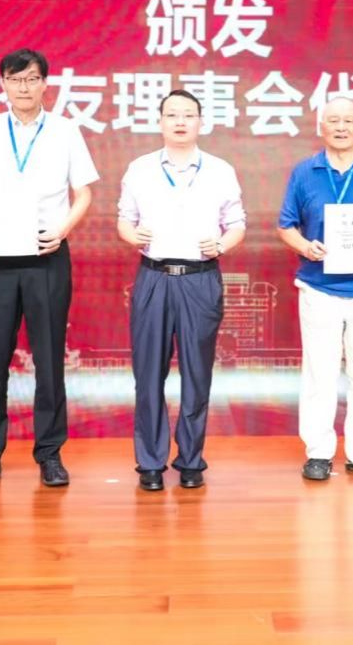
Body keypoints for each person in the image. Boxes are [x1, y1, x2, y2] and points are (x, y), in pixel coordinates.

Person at [0, 49, 99, 488]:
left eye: (32, 79)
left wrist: (62, 230)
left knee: (49, 359)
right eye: (15, 80)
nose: (24, 87)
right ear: (2, 84)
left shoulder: (66, 130)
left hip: (47, 257)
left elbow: (84, 194)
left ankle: (49, 453)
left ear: (44, 84)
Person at [116, 90, 245, 491]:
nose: (180, 121)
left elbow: (237, 224)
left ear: (200, 122)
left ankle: (190, 460)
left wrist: (222, 244)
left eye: (188, 114)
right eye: (172, 114)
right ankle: (150, 462)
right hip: (153, 277)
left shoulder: (220, 170)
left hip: (200, 278)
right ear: (160, 121)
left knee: (197, 373)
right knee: (147, 373)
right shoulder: (139, 169)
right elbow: (124, 219)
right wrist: (131, 235)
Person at [277, 97, 353, 482]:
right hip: (319, 288)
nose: (342, 127)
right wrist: (305, 247)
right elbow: (286, 225)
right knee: (320, 373)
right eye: (334, 120)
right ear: (321, 127)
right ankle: (318, 452)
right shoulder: (305, 171)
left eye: (349, 120)